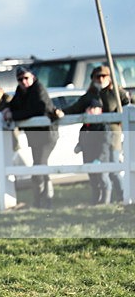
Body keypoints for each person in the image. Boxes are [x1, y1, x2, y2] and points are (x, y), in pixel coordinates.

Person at [61, 64, 130, 202]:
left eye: (103, 76)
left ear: (109, 77)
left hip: (113, 135)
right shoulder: (89, 95)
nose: (100, 79)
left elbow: (129, 104)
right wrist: (60, 112)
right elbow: (75, 108)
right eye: (97, 77)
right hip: (95, 137)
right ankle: (101, 199)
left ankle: (123, 196)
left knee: (114, 168)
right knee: (97, 170)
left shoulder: (117, 92)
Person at [2, 65, 62, 208]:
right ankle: (41, 201)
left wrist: (14, 115)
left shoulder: (38, 89)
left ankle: (45, 201)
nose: (23, 81)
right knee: (40, 166)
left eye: (26, 78)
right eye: (20, 79)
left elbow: (38, 109)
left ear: (32, 77)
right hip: (35, 136)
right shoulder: (21, 91)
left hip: (47, 135)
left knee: (40, 167)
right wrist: (7, 109)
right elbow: (15, 105)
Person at [74, 99, 112, 204]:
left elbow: (105, 143)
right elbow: (81, 140)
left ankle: (106, 200)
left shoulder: (102, 125)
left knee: (103, 179)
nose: (89, 111)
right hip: (88, 157)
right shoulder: (84, 127)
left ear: (99, 110)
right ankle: (95, 200)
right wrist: (79, 146)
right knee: (93, 180)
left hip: (101, 158)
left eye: (92, 109)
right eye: (88, 109)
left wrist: (100, 158)